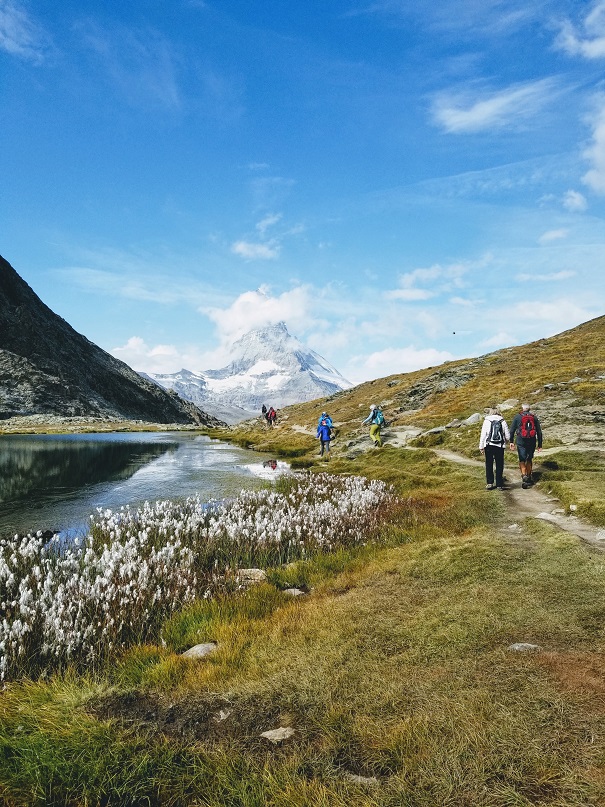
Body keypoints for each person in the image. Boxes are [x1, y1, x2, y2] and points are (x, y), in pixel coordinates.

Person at [509, 403, 543, 488]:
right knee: (529, 458)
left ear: (522, 408)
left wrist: (511, 441)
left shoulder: (517, 417)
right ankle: (529, 476)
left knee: (522, 459)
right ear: (529, 409)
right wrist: (540, 444)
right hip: (531, 441)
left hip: (521, 441)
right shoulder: (534, 417)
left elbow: (512, 430)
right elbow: (539, 432)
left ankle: (524, 475)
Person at [479, 407, 510, 491]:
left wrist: (481, 447)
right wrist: (506, 442)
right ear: (498, 412)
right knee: (499, 464)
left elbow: (483, 435)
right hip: (500, 446)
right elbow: (508, 436)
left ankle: (490, 483)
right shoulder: (502, 421)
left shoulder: (486, 421)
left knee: (489, 464)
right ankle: (499, 484)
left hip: (489, 445)